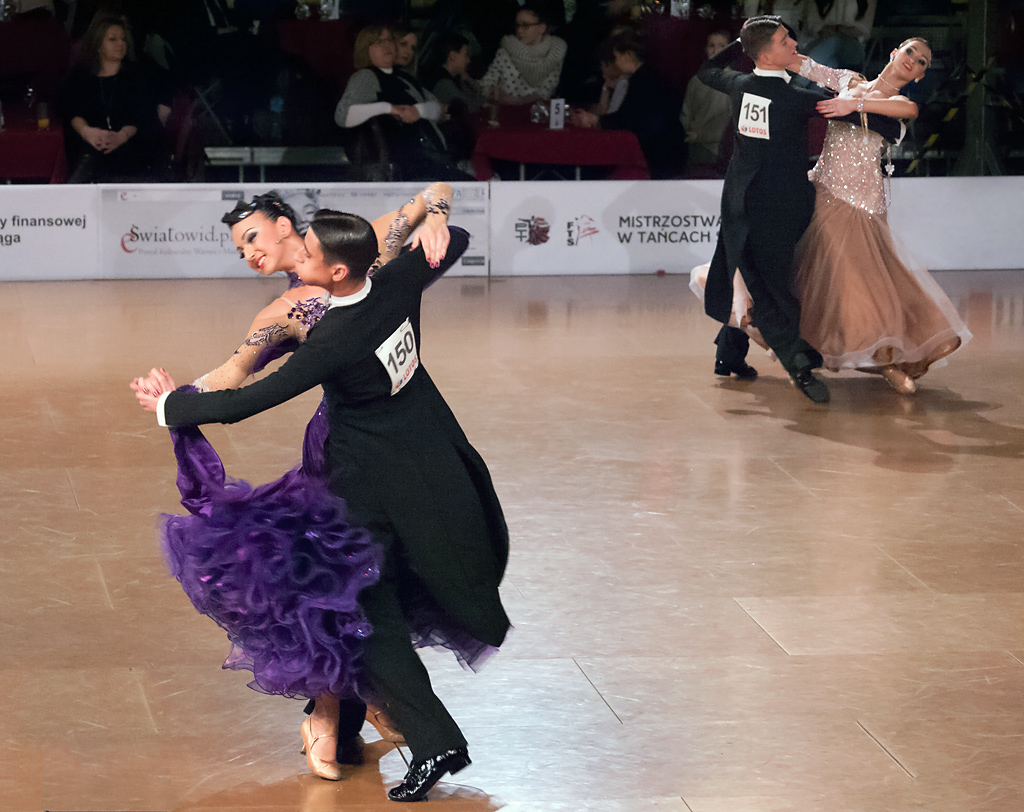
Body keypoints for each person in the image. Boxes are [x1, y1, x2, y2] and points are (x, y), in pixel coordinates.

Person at [133, 209, 510, 803]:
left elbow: (245, 402)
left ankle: (425, 738)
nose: (298, 260)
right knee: (378, 608)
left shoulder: (334, 338)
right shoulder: (397, 282)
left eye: (308, 255)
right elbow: (454, 239)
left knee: (362, 613)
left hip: (367, 489)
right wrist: (440, 224)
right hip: (431, 464)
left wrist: (167, 408)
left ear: (336, 271)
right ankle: (395, 729)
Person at [794, 39, 971, 393]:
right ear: (894, 52)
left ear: (920, 76)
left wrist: (851, 103)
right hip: (825, 194)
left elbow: (909, 110)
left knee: (868, 286)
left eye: (922, 62)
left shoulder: (898, 103)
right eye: (910, 52)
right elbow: (804, 65)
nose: (913, 60)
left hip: (864, 205)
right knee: (827, 281)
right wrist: (765, 46)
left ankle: (885, 360)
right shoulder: (847, 79)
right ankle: (798, 348)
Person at [696, 16, 833, 404]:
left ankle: (729, 354)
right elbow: (840, 104)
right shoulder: (797, 96)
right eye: (784, 40)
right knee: (770, 288)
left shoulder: (740, 85)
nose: (794, 44)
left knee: (755, 277)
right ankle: (799, 366)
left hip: (743, 205)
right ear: (767, 55)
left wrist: (742, 43)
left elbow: (707, 70)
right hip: (773, 209)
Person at [334, 25, 471, 181]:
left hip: (430, 163)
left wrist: (418, 111)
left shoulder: (403, 77)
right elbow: (343, 116)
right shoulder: (366, 76)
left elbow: (437, 108)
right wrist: (389, 108)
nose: (387, 45)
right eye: (379, 42)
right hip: (409, 172)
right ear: (365, 49)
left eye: (390, 40)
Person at [59, 12, 163, 182]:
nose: (120, 44)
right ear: (98, 44)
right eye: (112, 39)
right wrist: (87, 132)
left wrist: (121, 136)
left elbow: (143, 115)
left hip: (133, 156)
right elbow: (72, 111)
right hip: (92, 155)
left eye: (123, 39)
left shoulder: (137, 75)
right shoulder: (80, 77)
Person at [569, 30, 686, 179]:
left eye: (617, 57)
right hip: (666, 149)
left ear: (628, 55)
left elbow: (628, 118)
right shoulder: (648, 76)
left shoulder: (643, 80)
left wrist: (596, 120)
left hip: (658, 154)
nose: (616, 63)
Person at [479, 4, 567, 105]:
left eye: (525, 25)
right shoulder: (506, 50)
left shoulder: (554, 52)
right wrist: (491, 92)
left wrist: (519, 100)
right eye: (517, 25)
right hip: (506, 109)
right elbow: (489, 80)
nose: (520, 30)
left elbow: (548, 89)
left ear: (542, 28)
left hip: (538, 110)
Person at [680, 29, 732, 173]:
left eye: (721, 46)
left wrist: (698, 135)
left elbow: (727, 123)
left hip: (718, 150)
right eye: (711, 46)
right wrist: (687, 132)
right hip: (694, 147)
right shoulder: (696, 81)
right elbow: (686, 112)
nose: (716, 50)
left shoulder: (732, 82)